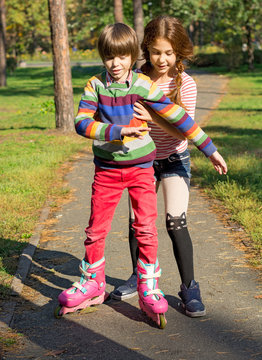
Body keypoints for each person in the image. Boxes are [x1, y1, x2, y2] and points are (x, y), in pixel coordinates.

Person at [56, 22, 226, 328]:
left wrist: (209, 149)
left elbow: (180, 118)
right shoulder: (97, 85)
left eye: (122, 57)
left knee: (158, 224)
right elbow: (81, 123)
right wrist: (120, 131)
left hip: (153, 164)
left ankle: (164, 285)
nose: (115, 63)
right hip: (111, 168)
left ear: (133, 55)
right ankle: (96, 281)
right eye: (109, 57)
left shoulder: (151, 85)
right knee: (104, 228)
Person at [111, 16, 227, 318]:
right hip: (142, 159)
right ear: (147, 50)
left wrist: (152, 118)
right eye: (156, 52)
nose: (162, 59)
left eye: (169, 53)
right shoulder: (137, 77)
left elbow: (184, 129)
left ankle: (190, 287)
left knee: (175, 221)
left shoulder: (185, 83)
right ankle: (140, 277)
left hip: (175, 158)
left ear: (179, 52)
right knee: (138, 220)